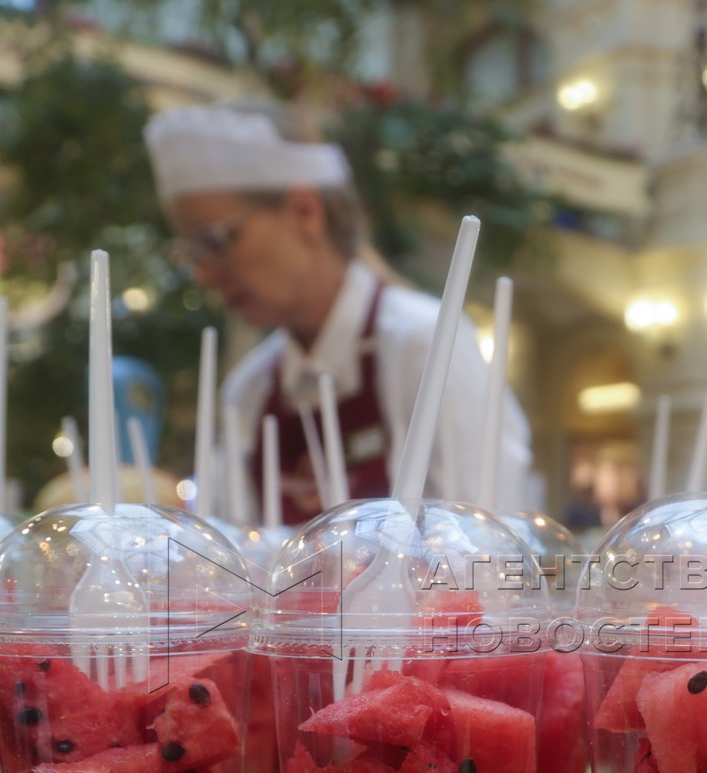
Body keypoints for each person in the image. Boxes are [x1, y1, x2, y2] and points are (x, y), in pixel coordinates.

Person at [144, 103, 531, 523]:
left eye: (215, 241)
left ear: (304, 210)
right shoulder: (250, 390)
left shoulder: (424, 347)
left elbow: (481, 537)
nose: (202, 274)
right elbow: (233, 548)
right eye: (191, 251)